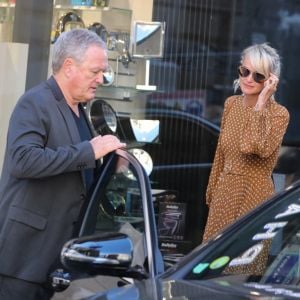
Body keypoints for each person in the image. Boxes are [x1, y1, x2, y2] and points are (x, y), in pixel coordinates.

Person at [0, 29, 125, 299]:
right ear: (68, 66)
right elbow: (22, 161)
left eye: (102, 73)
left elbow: (76, 172)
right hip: (23, 258)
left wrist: (109, 167)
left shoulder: (80, 109)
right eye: (94, 71)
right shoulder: (34, 103)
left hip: (56, 257)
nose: (100, 79)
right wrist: (89, 151)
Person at [203, 43, 289, 242]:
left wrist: (260, 105)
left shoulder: (279, 114)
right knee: (210, 265)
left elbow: (252, 147)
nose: (249, 79)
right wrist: (213, 193)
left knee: (242, 268)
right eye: (245, 71)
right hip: (224, 195)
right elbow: (220, 155)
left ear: (270, 81)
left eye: (258, 76)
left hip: (254, 197)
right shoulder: (231, 104)